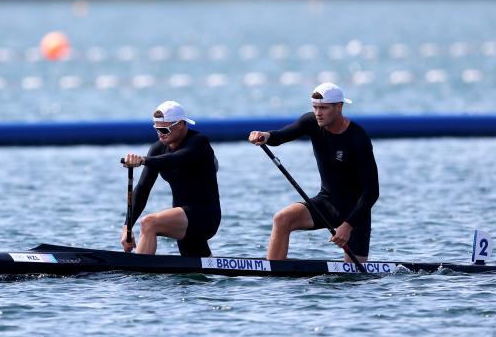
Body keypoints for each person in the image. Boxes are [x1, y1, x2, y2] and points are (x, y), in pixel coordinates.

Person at [248, 82, 379, 262]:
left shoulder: (357, 138)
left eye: (323, 108)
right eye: (315, 107)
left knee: (354, 279)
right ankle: (273, 274)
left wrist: (347, 226)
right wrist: (265, 136)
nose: (318, 113)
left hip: (355, 213)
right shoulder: (311, 122)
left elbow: (372, 192)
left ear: (339, 107)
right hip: (326, 202)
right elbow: (281, 136)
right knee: (282, 219)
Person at [121, 101, 221, 257]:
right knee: (196, 273)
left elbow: (175, 159)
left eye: (164, 129)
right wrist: (127, 228)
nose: (160, 133)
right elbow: (142, 190)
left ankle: (138, 276)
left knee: (149, 223)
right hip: (180, 218)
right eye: (156, 129)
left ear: (180, 124)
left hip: (204, 216)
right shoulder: (157, 148)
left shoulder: (199, 142)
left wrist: (142, 160)